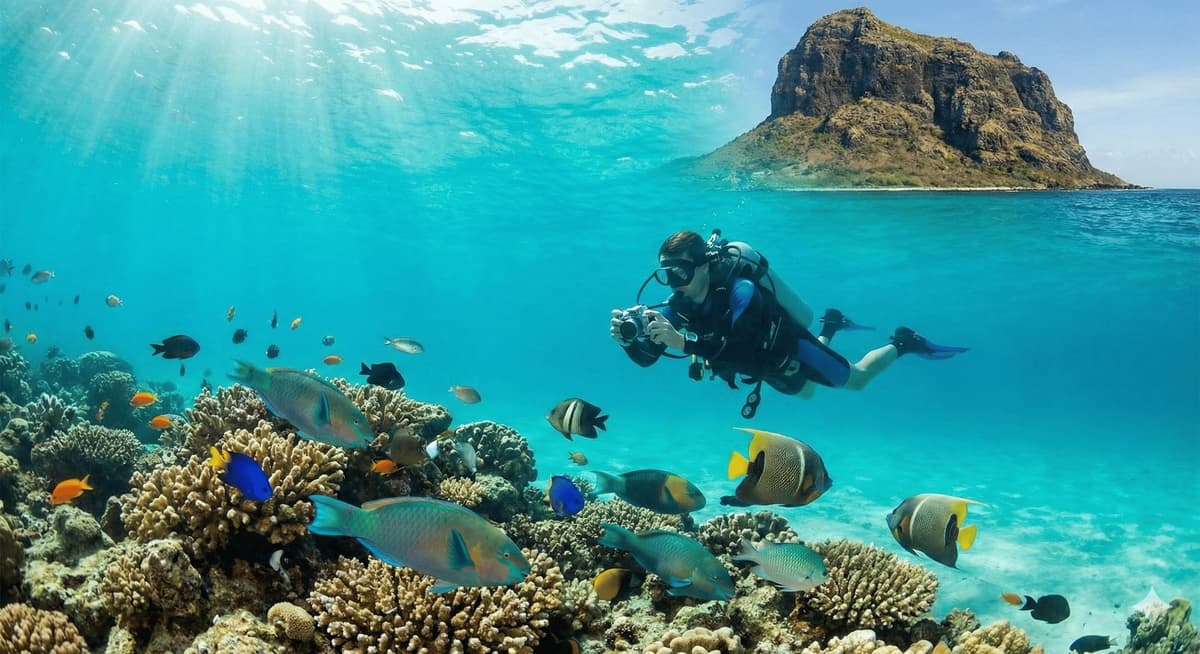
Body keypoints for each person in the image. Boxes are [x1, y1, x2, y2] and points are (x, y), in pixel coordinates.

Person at [609, 230, 967, 417]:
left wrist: (685, 344)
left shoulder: (742, 290)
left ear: (702, 263)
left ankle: (904, 342)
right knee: (809, 393)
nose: (675, 283)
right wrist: (630, 342)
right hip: (768, 368)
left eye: (681, 272)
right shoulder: (681, 302)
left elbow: (745, 350)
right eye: (665, 275)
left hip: (787, 348)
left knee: (856, 380)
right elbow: (648, 357)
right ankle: (831, 326)